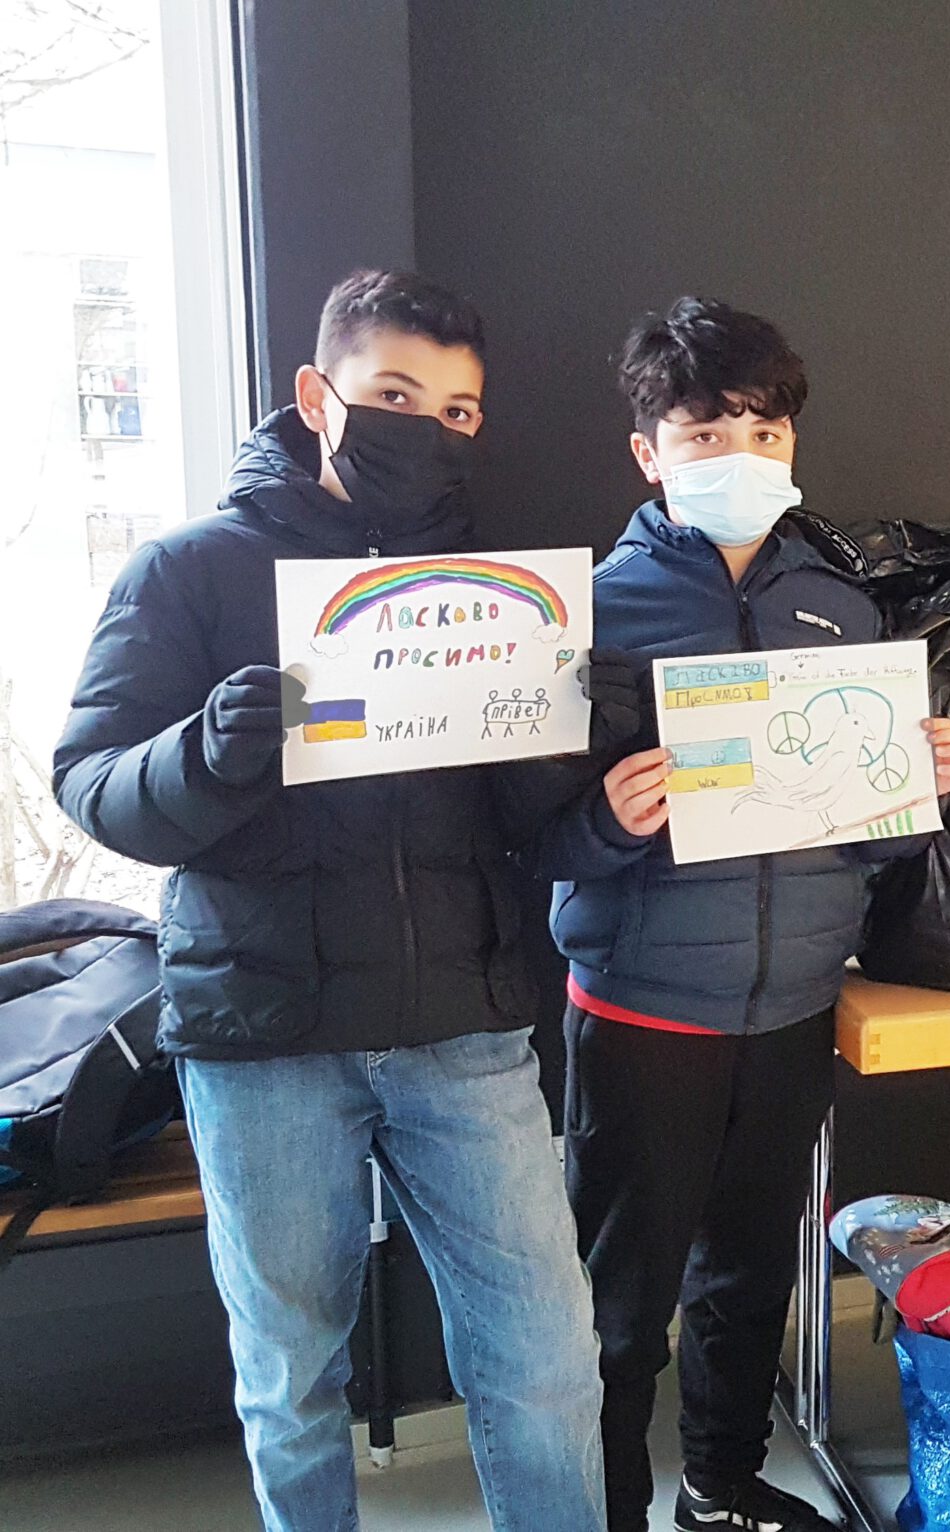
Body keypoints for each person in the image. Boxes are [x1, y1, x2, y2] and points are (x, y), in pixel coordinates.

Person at [52, 270, 611, 1530]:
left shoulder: (491, 592)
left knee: (544, 1359)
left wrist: (570, 732)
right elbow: (91, 784)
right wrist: (208, 750)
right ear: (317, 394)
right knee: (291, 1373)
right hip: (266, 1040)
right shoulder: (190, 570)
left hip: (463, 1029)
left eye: (457, 412)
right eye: (395, 395)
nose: (429, 429)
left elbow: (526, 817)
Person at [535, 297, 950, 1532]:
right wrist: (606, 821)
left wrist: (921, 785)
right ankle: (607, 1507)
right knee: (621, 1301)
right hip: (643, 1011)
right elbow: (526, 838)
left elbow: (868, 837)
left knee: (748, 1275)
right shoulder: (590, 614)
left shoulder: (839, 604)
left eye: (765, 431)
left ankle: (721, 1489)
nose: (742, 455)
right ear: (649, 452)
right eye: (706, 432)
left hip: (792, 1005)